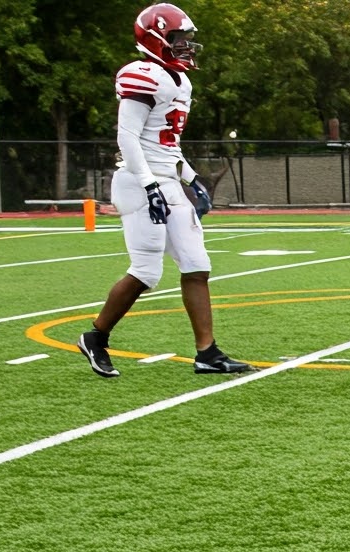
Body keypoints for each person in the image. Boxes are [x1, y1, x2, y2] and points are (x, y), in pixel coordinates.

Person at [76, 5, 249, 378]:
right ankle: (96, 337)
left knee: (197, 265)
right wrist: (150, 184)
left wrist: (190, 178)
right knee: (146, 271)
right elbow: (129, 138)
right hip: (138, 182)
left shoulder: (181, 82)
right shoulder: (142, 75)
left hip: (165, 179)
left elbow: (167, 145)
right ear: (156, 38)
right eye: (179, 39)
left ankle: (207, 353)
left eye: (187, 39)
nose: (187, 46)